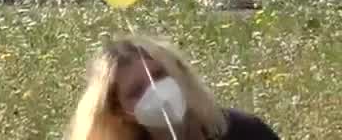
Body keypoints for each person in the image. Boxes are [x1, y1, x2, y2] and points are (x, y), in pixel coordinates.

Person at [66, 36, 279, 139]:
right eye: (136, 91)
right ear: (121, 112)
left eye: (159, 75)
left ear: (180, 73)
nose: (155, 91)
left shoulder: (246, 132)